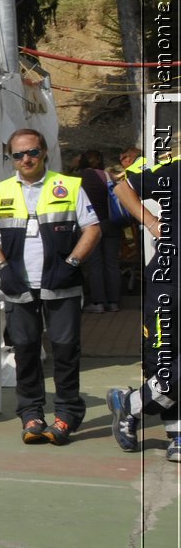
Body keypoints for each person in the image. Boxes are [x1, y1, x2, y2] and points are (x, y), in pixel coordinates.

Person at [0, 128, 101, 445]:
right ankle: (31, 414)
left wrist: (72, 263)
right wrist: (2, 267)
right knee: (26, 352)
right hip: (19, 286)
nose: (26, 159)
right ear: (11, 158)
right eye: (18, 154)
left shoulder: (68, 186)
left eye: (32, 152)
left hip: (61, 285)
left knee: (65, 351)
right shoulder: (1, 191)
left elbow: (92, 229)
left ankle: (66, 415)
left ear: (44, 152)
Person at [109, 148, 181, 460]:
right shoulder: (176, 168)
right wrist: (151, 222)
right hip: (168, 283)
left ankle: (131, 404)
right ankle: (176, 432)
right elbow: (123, 187)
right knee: (163, 360)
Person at [72, 150, 122, 313]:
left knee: (95, 265)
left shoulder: (77, 180)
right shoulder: (108, 176)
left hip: (90, 226)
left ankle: (98, 302)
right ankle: (114, 302)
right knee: (112, 263)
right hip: (111, 223)